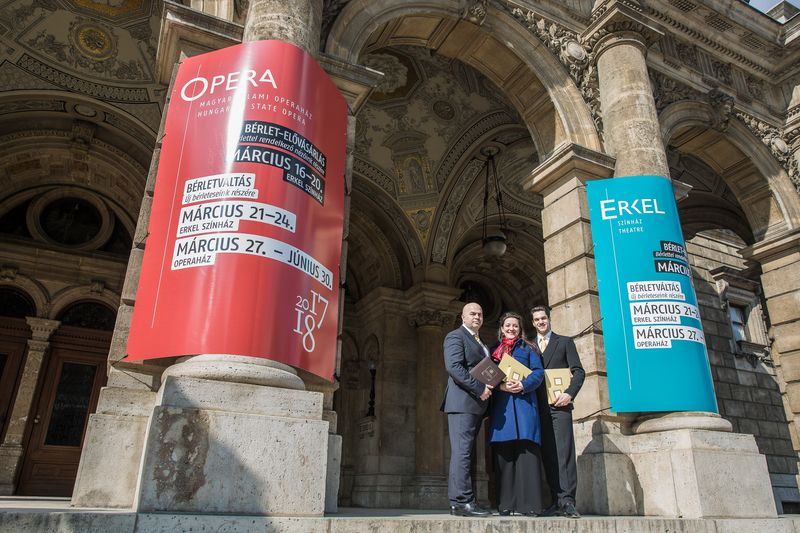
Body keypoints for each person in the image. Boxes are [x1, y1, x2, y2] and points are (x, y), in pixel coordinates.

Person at [487, 311, 544, 516]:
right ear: (501, 328)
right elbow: (487, 375)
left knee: (526, 454)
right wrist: (500, 386)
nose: (511, 329)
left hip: (525, 406)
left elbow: (538, 372)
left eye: (515, 326)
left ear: (520, 330)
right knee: (504, 457)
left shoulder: (529, 348)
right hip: (502, 409)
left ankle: (530, 505)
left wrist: (523, 384)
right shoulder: (492, 350)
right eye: (508, 325)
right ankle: (506, 504)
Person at [531, 305, 585, 519]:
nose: (541, 322)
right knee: (548, 454)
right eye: (537, 319)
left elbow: (579, 372)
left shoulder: (564, 342)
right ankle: (555, 500)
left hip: (560, 405)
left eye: (543, 318)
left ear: (549, 319)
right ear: (533, 323)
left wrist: (569, 393)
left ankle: (568, 500)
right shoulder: (529, 346)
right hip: (538, 407)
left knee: (564, 453)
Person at [441, 302, 493, 517]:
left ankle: (465, 501)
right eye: (472, 314)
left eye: (480, 314)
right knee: (462, 452)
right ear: (462, 317)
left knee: (467, 453)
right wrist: (480, 389)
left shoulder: (481, 341)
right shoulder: (455, 336)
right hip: (462, 402)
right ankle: (461, 502)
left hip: (476, 405)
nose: (477, 317)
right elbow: (454, 367)